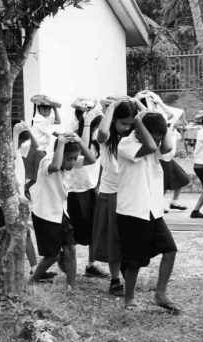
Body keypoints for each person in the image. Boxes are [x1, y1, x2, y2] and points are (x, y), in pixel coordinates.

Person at [116, 110, 179, 311]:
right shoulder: (126, 144)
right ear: (141, 130)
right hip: (133, 210)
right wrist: (137, 119)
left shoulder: (155, 143)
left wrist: (165, 123)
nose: (158, 141)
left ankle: (160, 294)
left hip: (153, 209)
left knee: (170, 250)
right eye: (155, 136)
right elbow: (151, 145)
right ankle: (129, 298)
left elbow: (166, 146)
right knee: (134, 260)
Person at [28, 132, 97, 288]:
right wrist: (60, 142)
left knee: (70, 249)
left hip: (61, 212)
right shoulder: (47, 161)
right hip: (45, 214)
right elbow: (55, 166)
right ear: (60, 153)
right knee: (51, 256)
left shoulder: (70, 161)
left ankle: (71, 286)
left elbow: (91, 159)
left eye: (75, 158)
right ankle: (32, 282)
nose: (72, 162)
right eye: (69, 158)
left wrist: (79, 140)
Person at [0, 121, 38, 280]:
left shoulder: (17, 146)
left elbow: (35, 147)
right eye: (21, 141)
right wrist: (15, 133)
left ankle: (35, 269)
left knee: (26, 232)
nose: (23, 144)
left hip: (16, 200)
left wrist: (27, 130)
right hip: (1, 201)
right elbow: (9, 160)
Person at [93, 99, 140, 296]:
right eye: (123, 123)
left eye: (131, 123)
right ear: (114, 121)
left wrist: (139, 106)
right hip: (111, 193)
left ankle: (125, 272)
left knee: (128, 238)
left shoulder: (134, 138)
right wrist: (112, 107)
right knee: (113, 239)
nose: (127, 127)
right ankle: (115, 280)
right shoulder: (107, 139)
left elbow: (157, 128)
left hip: (130, 193)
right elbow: (102, 133)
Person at [67, 106, 108, 278]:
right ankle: (68, 265)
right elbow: (84, 154)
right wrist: (87, 123)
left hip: (91, 189)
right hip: (74, 191)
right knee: (72, 231)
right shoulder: (77, 142)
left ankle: (91, 265)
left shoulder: (97, 142)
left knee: (94, 228)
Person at [161, 125, 190, 212]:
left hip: (169, 159)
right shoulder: (164, 132)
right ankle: (159, 203)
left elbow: (181, 137)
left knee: (182, 178)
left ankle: (174, 201)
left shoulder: (174, 133)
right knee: (164, 184)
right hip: (162, 159)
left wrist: (182, 129)